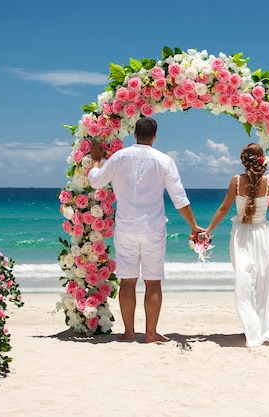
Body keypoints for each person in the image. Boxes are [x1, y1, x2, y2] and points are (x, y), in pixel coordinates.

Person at [88, 116, 203, 343]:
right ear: (155, 136)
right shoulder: (164, 161)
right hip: (153, 228)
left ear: (134, 135)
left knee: (127, 280)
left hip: (126, 227)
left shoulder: (119, 157)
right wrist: (193, 226)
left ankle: (129, 332)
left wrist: (95, 161)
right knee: (153, 281)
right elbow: (179, 198)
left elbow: (96, 181)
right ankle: (150, 333)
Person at [203, 143, 269, 347]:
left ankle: (254, 327)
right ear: (262, 159)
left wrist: (208, 231)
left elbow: (223, 209)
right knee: (263, 281)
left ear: (244, 160)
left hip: (241, 235)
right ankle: (260, 326)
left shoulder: (236, 180)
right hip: (263, 234)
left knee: (246, 280)